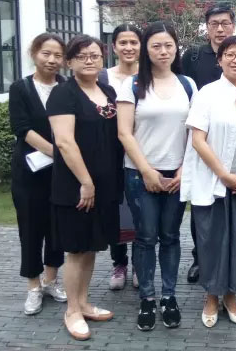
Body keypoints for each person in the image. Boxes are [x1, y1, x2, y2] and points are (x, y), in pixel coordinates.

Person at [117, 21, 197, 331]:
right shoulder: (133, 85)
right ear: (146, 50)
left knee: (171, 236)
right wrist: (147, 171)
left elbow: (195, 132)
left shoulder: (188, 84)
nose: (163, 51)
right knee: (146, 237)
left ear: (176, 48)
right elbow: (124, 133)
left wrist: (182, 169)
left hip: (177, 173)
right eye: (155, 46)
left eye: (168, 45)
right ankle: (148, 299)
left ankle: (169, 297)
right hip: (140, 174)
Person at [181, 35, 236, 328]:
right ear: (220, 60)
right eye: (230, 54)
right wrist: (224, 175)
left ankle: (230, 295)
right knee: (211, 241)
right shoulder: (207, 93)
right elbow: (198, 140)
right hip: (213, 182)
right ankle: (211, 296)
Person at [47, 35, 122, 341]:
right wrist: (86, 182)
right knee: (76, 249)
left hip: (104, 183)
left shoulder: (107, 90)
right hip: (76, 185)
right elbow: (64, 141)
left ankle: (83, 302)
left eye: (95, 55)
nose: (89, 60)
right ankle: (72, 312)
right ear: (70, 62)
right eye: (82, 56)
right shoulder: (63, 94)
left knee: (92, 246)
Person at [8, 33, 67, 315]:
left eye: (57, 55)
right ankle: (33, 287)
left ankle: (51, 280)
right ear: (34, 53)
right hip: (29, 174)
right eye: (46, 53)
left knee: (57, 228)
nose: (52, 60)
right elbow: (22, 128)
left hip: (60, 175)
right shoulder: (20, 88)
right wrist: (58, 151)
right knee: (30, 230)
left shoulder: (67, 87)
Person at [99, 24, 142, 291]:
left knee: (140, 210)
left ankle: (140, 263)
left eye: (134, 42)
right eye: (123, 42)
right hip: (109, 155)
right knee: (115, 210)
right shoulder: (102, 77)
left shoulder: (148, 76)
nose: (128, 48)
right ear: (113, 46)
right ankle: (119, 263)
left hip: (142, 154)